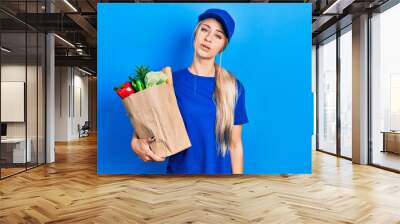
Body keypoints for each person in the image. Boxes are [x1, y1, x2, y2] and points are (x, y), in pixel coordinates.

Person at [131, 8, 248, 174]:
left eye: (218, 35)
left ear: (222, 47)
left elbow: (235, 144)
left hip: (221, 183)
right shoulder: (169, 81)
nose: (208, 38)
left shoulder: (233, 87)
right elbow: (147, 126)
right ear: (196, 33)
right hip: (179, 179)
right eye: (205, 29)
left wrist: (238, 184)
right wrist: (135, 143)